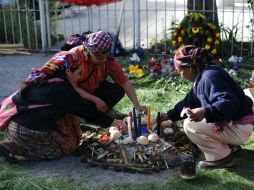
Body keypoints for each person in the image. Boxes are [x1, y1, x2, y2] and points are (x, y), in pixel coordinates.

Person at [0, 51, 126, 162]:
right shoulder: (61, 89)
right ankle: (13, 148)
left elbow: (78, 108)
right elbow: (85, 111)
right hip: (25, 129)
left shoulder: (52, 79)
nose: (79, 77)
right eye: (78, 73)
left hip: (19, 122)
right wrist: (112, 121)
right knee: (64, 149)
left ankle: (19, 143)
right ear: (68, 71)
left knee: (71, 130)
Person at [159, 45, 254, 169]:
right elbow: (188, 102)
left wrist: (205, 111)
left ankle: (222, 158)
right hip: (238, 123)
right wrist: (168, 115)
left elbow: (230, 102)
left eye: (180, 70)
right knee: (194, 121)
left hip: (238, 127)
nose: (180, 74)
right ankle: (230, 146)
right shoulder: (204, 76)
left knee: (190, 125)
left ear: (189, 68)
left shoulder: (210, 77)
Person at [51, 30, 145, 115]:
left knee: (117, 90)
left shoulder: (109, 61)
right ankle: (82, 114)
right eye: (100, 58)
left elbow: (124, 82)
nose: (104, 60)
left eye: (106, 56)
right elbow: (71, 87)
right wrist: (96, 100)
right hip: (74, 93)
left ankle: (94, 114)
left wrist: (137, 105)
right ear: (90, 52)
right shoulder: (75, 57)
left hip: (92, 91)